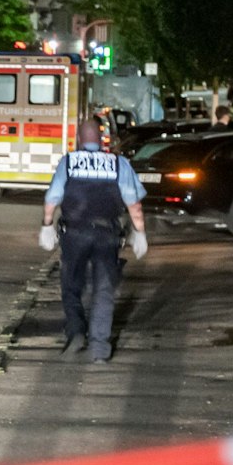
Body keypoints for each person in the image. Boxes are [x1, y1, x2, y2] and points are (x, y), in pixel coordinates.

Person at [38, 122, 148, 363]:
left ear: (79, 139)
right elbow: (134, 204)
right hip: (106, 234)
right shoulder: (118, 163)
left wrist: (46, 225)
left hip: (74, 233)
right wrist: (139, 232)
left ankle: (76, 331)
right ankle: (99, 348)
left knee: (71, 285)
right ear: (101, 139)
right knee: (104, 289)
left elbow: (52, 197)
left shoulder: (69, 162)